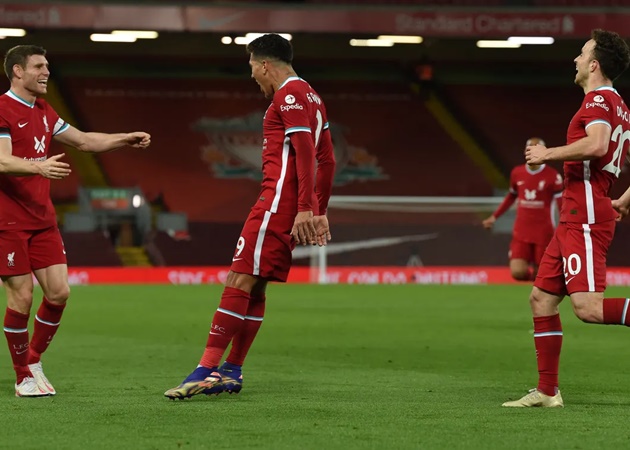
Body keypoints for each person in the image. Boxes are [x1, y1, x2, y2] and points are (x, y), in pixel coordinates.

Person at [164, 33, 336, 400]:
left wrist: (306, 208)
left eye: (252, 68)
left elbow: (306, 151)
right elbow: (328, 159)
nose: (252, 76)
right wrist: (318, 209)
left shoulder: (287, 95)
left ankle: (205, 369)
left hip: (276, 204)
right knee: (256, 286)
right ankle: (232, 369)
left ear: (264, 65)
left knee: (238, 279)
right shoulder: (313, 96)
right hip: (289, 205)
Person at [0, 45, 151, 397]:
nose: (46, 72)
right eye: (39, 66)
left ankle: (33, 359)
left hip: (42, 218)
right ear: (18, 71)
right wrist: (39, 167)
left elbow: (83, 141)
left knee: (59, 292)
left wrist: (124, 139)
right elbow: (2, 161)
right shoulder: (2, 109)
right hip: (8, 221)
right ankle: (23, 376)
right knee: (22, 296)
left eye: (47, 66)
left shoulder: (44, 110)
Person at [503, 29, 630, 408]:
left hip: (585, 215)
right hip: (577, 214)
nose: (575, 59)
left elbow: (597, 145)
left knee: (588, 308)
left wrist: (547, 154)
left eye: (582, 53)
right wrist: (625, 199)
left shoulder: (598, 101)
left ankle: (547, 391)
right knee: (541, 299)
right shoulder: (620, 106)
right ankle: (547, 392)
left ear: (594, 65)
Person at [482, 138, 563, 281]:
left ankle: (539, 288)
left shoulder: (553, 176)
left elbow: (561, 204)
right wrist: (494, 217)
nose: (531, 153)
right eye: (529, 150)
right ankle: (535, 283)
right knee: (517, 272)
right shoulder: (517, 173)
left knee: (542, 273)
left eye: (536, 150)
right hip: (521, 230)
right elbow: (511, 196)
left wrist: (565, 226)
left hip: (543, 231)